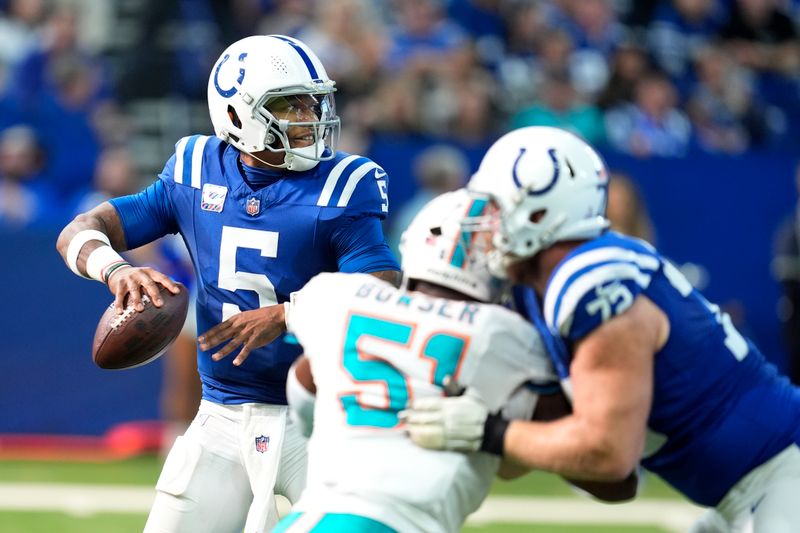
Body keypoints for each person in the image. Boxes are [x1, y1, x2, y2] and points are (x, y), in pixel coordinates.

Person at [55, 34, 400, 533]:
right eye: (289, 105)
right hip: (222, 416)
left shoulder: (347, 182)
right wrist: (117, 270)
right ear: (238, 116)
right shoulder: (196, 169)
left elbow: (380, 285)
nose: (309, 118)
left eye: (312, 102)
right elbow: (80, 231)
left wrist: (288, 314)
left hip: (320, 416)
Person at [403, 126, 800, 533]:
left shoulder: (588, 280)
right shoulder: (547, 290)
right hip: (750, 488)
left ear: (541, 212)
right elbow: (607, 478)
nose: (487, 225)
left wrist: (488, 430)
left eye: (495, 209)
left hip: (783, 476)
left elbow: (609, 455)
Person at [272, 189, 637, 533]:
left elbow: (304, 388)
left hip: (315, 517)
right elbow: (614, 480)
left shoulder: (337, 296)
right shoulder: (507, 336)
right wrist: (496, 435)